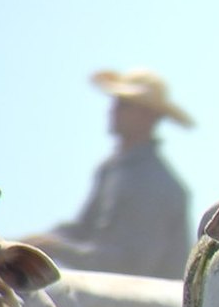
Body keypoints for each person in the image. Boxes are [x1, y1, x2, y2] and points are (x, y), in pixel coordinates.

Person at [25, 69, 193, 279]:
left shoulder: (156, 183)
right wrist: (27, 245)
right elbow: (82, 230)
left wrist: (55, 248)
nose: (113, 111)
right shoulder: (111, 170)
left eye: (124, 104)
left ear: (149, 116)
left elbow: (129, 267)